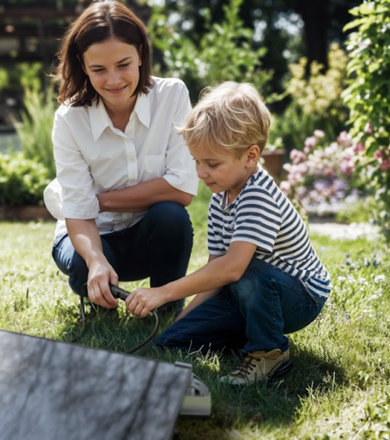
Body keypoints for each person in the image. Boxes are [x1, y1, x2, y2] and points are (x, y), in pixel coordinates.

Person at [124, 82, 331, 385]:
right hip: (246, 292)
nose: (200, 172)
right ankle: (247, 332)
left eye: (211, 163)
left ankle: (268, 353)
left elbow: (231, 269)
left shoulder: (258, 195)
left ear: (250, 156)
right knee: (173, 341)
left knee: (248, 271)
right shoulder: (221, 196)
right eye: (196, 161)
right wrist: (180, 323)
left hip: (300, 296)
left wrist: (163, 293)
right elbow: (214, 272)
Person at [46, 0, 198, 312]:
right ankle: (100, 290)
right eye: (99, 69)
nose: (113, 81)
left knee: (171, 216)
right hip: (90, 236)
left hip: (148, 234)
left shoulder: (172, 96)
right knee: (82, 265)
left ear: (141, 53)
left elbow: (182, 189)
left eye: (123, 65)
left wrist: (97, 201)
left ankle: (166, 303)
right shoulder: (69, 119)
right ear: (82, 64)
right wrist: (96, 260)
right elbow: (77, 213)